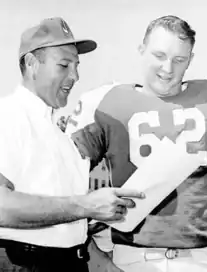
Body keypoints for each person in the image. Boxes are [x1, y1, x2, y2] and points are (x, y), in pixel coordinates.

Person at [64, 15, 207, 272]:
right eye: (159, 55)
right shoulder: (107, 103)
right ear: (141, 50)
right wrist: (92, 253)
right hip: (133, 257)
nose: (168, 68)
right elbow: (62, 179)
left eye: (179, 60)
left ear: (190, 60)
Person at [0, 17, 145, 272]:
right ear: (32, 64)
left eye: (77, 66)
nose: (75, 76)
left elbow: (70, 226)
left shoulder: (59, 136)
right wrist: (87, 205)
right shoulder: (9, 116)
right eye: (64, 65)